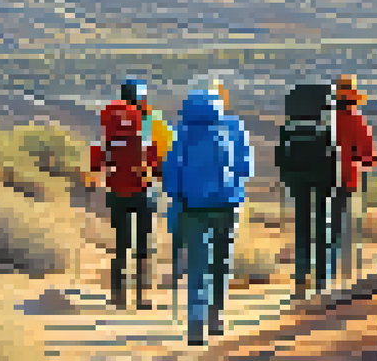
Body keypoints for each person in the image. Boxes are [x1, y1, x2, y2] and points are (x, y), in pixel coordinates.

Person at [164, 77, 254, 346]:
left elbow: (171, 169)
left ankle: (195, 324)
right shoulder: (234, 127)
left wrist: (178, 196)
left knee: (197, 265)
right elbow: (245, 168)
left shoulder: (182, 129)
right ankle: (216, 319)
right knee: (221, 262)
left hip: (192, 207)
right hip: (226, 205)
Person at [89, 78, 163, 310]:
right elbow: (154, 155)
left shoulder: (110, 120)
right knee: (143, 246)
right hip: (143, 190)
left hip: (116, 189)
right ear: (141, 97)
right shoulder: (147, 119)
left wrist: (99, 173)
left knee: (121, 245)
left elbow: (97, 154)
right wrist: (160, 174)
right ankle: (143, 298)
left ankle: (118, 296)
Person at [277, 82, 338, 300]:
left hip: (298, 179)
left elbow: (281, 156)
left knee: (302, 228)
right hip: (322, 180)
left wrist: (287, 178)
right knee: (323, 227)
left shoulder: (290, 126)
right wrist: (333, 182)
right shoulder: (326, 125)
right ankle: (322, 280)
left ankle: (301, 278)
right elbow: (333, 155)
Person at [329, 74, 377, 288]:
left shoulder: (325, 119)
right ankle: (346, 276)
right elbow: (370, 156)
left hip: (322, 180)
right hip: (347, 179)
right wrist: (355, 158)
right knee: (345, 228)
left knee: (325, 227)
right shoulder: (357, 120)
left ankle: (325, 274)